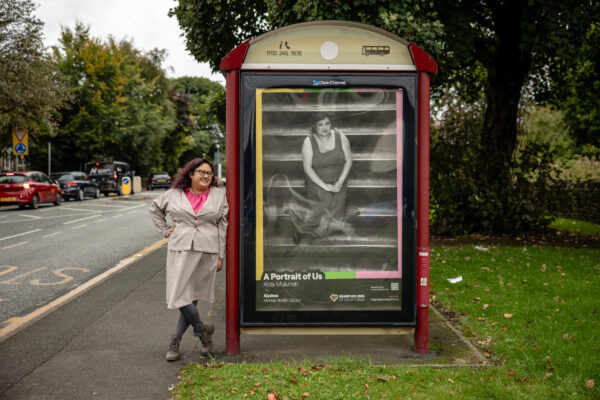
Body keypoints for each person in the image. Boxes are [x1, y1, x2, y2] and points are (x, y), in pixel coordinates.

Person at [148, 158, 228, 361]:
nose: (206, 176)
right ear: (190, 174)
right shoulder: (174, 194)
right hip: (180, 249)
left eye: (209, 173)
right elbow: (155, 209)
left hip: (207, 250)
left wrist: (220, 256)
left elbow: (222, 227)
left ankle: (175, 341)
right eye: (201, 172)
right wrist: (165, 230)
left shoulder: (220, 196)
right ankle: (202, 330)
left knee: (191, 297)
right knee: (179, 295)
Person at [284, 113, 356, 241]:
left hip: (338, 180)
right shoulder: (308, 141)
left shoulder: (341, 137)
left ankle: (311, 228)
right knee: (327, 201)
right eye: (320, 124)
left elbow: (349, 161)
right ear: (315, 127)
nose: (324, 127)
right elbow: (307, 168)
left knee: (338, 200)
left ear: (331, 124)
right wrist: (325, 185)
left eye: (327, 123)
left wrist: (339, 182)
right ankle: (303, 230)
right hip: (317, 181)